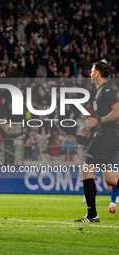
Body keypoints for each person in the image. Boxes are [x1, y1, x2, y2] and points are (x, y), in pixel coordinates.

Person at [74, 61, 119, 223]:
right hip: (110, 135)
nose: (90, 74)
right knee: (111, 180)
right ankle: (92, 215)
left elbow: (118, 111)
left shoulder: (106, 90)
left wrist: (98, 121)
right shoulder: (101, 91)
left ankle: (92, 215)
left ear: (97, 74)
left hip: (107, 136)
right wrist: (91, 129)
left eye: (92, 71)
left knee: (86, 170)